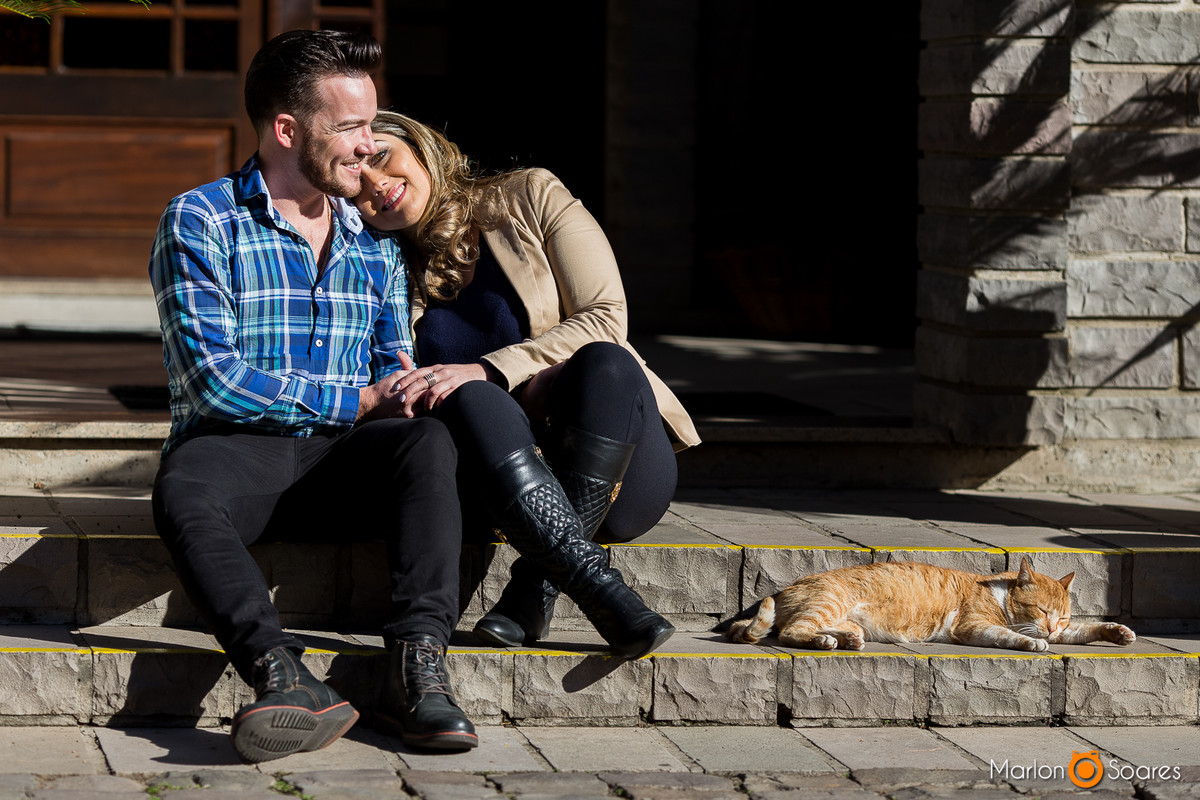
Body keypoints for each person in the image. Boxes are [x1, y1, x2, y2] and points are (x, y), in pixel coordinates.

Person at [148, 31, 477, 762]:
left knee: (428, 442)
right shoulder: (202, 220)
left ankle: (416, 667)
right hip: (240, 457)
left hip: (343, 464)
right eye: (351, 128)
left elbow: (397, 362)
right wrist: (357, 402)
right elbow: (215, 381)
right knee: (182, 486)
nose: (370, 145)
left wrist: (397, 392)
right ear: (287, 129)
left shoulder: (374, 243)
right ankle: (282, 674)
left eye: (373, 122)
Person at [353, 110, 701, 654]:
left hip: (617, 468)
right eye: (357, 188)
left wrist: (495, 369)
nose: (378, 185)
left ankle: (533, 586)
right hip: (494, 486)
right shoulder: (379, 263)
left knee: (606, 361)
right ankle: (583, 584)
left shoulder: (528, 195)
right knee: (465, 397)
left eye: (381, 158)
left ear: (418, 146)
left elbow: (606, 314)